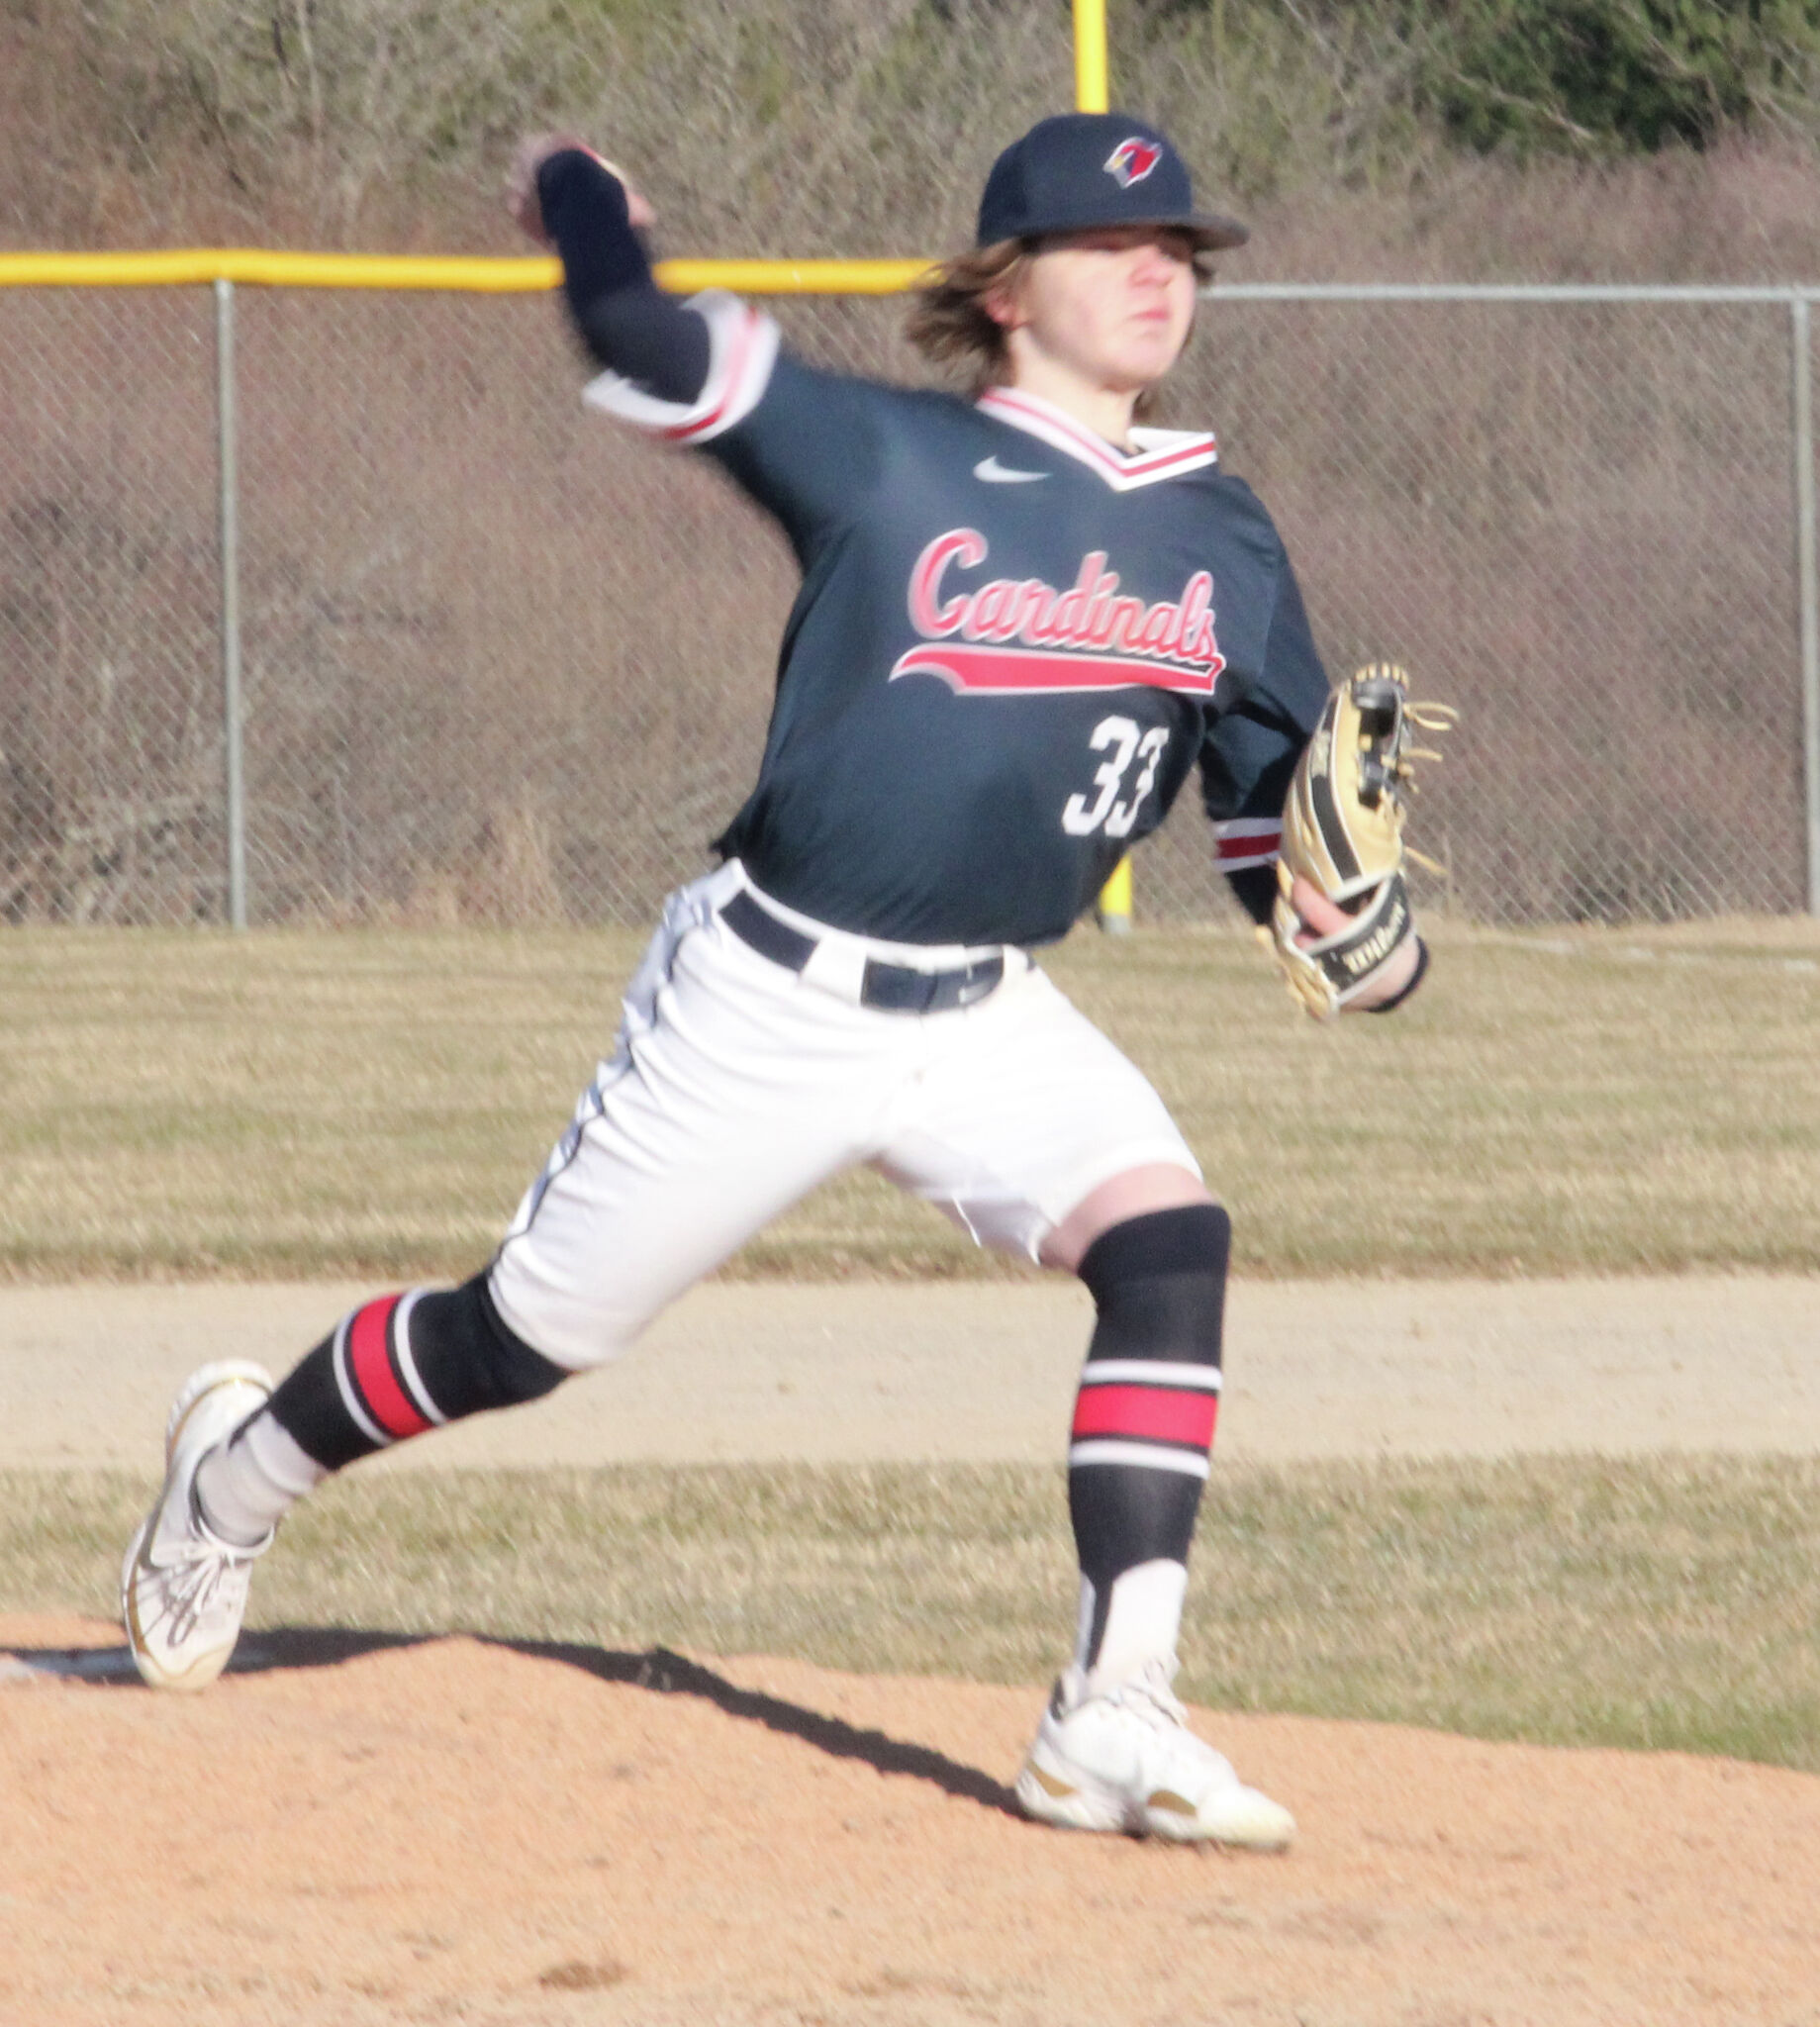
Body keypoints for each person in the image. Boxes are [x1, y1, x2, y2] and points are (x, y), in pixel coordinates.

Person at [121, 111, 1429, 1849]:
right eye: (1115, 245)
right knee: (520, 1338)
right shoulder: (882, 456)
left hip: (986, 1009)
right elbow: (645, 335)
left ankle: (1113, 1712)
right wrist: (580, 197)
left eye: (1180, 251)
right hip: (769, 998)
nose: (1156, 274)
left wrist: (1351, 926)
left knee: (1172, 1240)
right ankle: (234, 1476)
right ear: (1005, 286)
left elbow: (1277, 830)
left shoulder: (1222, 535)